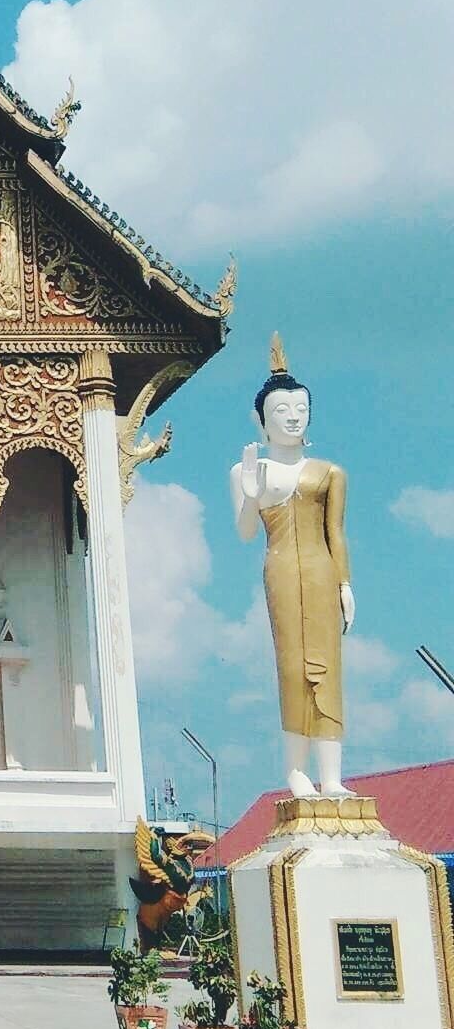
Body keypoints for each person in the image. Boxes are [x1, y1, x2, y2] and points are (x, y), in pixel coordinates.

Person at [230, 335, 353, 798]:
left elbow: (335, 533)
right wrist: (250, 489)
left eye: (300, 409)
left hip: (322, 571)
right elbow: (245, 532)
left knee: (329, 667)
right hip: (279, 570)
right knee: (293, 666)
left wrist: (345, 584)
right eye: (282, 411)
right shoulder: (249, 470)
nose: (293, 417)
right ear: (261, 420)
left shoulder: (330, 472)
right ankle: (297, 771)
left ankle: (333, 777)